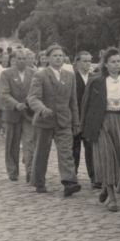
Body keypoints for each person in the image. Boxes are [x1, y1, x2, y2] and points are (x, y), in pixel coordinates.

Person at [80, 47, 120, 211]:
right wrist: (84, 128)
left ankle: (106, 186)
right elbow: (86, 105)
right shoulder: (96, 81)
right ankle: (112, 198)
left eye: (119, 61)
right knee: (107, 157)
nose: (117, 65)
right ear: (106, 64)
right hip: (103, 122)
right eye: (113, 62)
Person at [27, 44, 82, 197]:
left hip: (64, 120)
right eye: (55, 56)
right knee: (41, 153)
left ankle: (69, 182)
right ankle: (38, 182)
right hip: (45, 121)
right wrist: (42, 109)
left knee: (66, 152)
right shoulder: (40, 75)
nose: (58, 58)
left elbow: (73, 101)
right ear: (48, 58)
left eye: (61, 55)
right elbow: (32, 97)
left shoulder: (69, 75)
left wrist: (76, 122)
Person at [0, 48, 36, 183]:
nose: (22, 61)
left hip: (29, 113)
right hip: (12, 113)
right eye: (19, 58)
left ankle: (30, 170)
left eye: (24, 58)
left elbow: (36, 91)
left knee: (30, 142)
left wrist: (30, 103)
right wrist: (16, 104)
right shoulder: (6, 74)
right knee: (12, 144)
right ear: (13, 60)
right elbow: (4, 93)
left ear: (28, 60)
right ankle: (13, 171)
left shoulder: (34, 73)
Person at [72, 51, 98, 188]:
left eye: (89, 61)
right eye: (84, 61)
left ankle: (94, 176)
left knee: (91, 149)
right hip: (76, 118)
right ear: (77, 62)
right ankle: (72, 176)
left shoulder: (95, 78)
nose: (87, 64)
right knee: (74, 148)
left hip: (90, 120)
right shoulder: (72, 78)